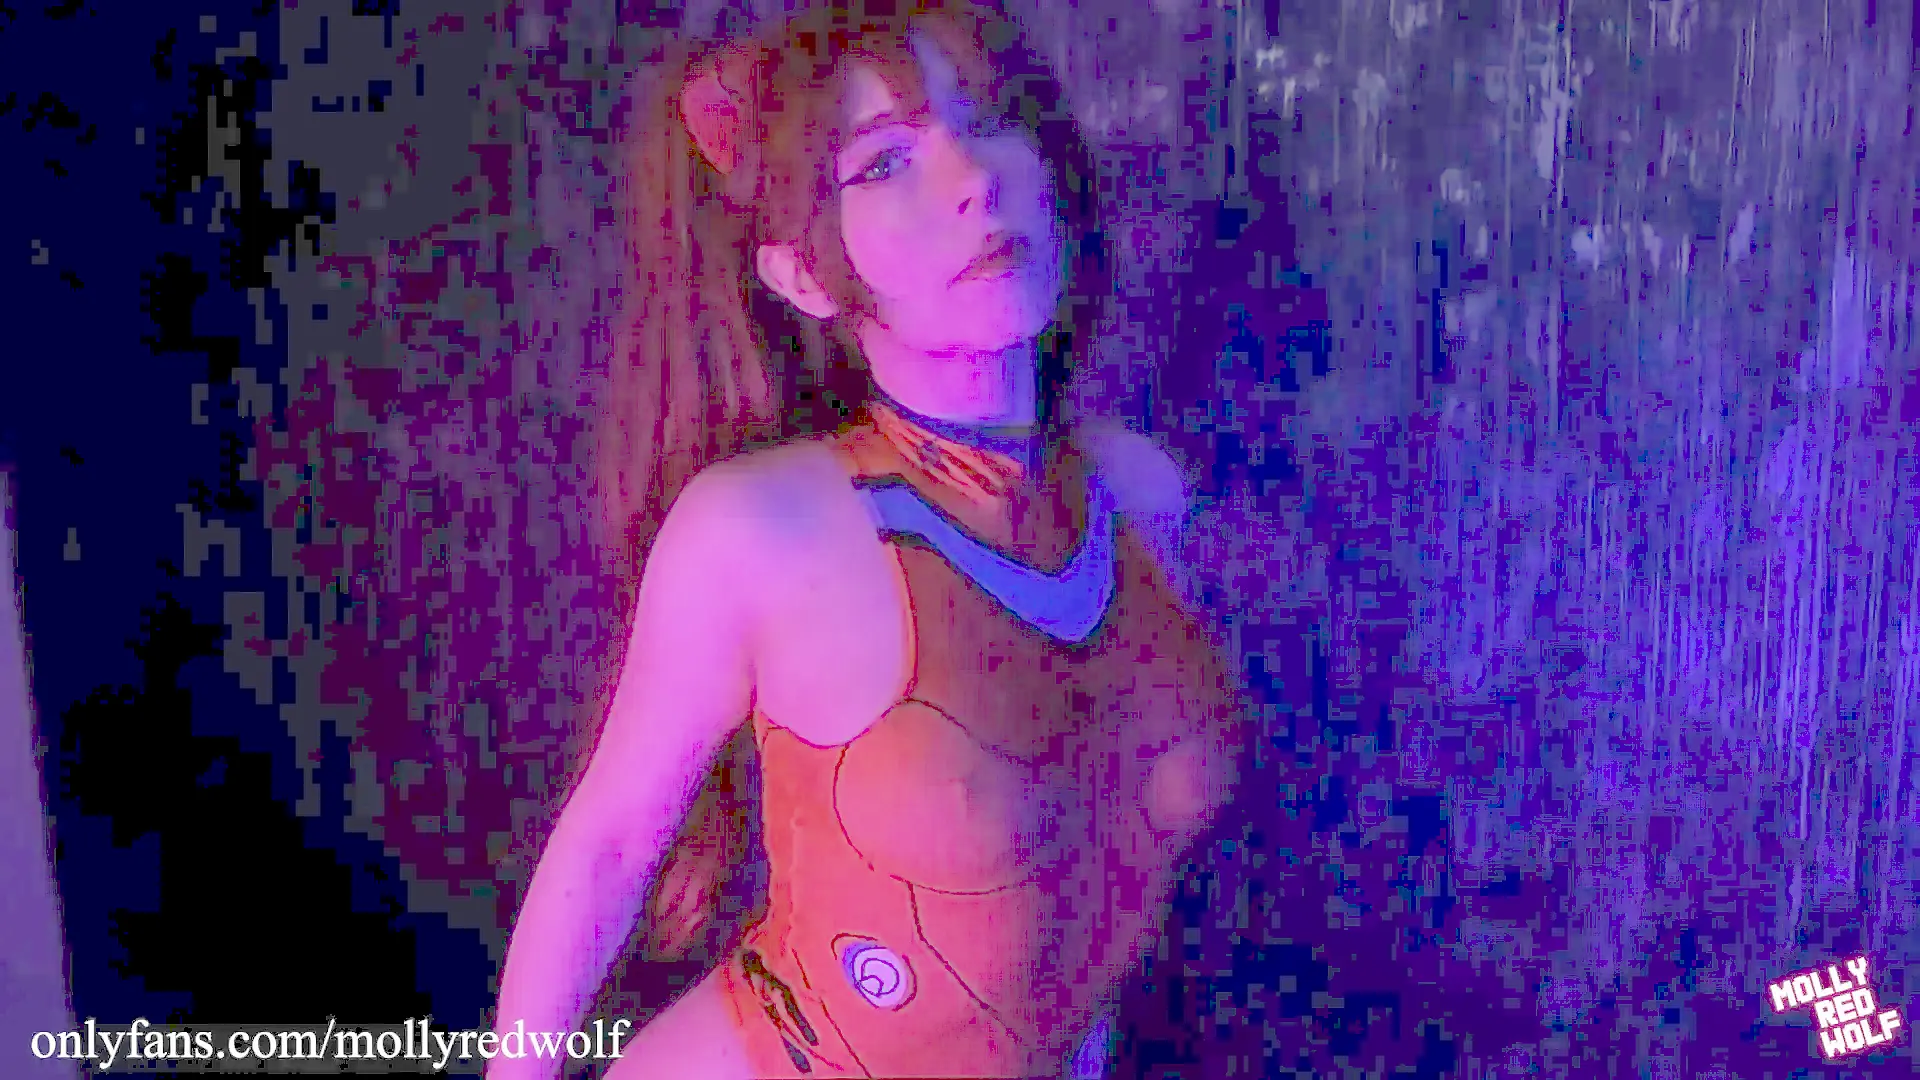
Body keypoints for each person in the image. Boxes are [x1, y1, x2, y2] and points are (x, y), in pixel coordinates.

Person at [489, 4, 1243, 1077]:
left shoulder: (1141, 497)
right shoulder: (760, 530)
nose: (972, 180)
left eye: (990, 120)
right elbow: (609, 848)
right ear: (801, 272)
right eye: (884, 163)